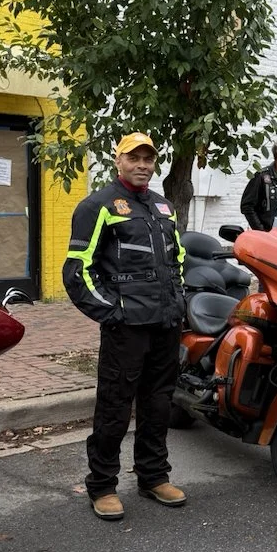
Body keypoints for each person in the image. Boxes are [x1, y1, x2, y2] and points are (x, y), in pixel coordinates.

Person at [63, 132, 188, 521]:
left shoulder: (164, 207)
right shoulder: (97, 206)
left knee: (158, 403)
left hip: (165, 323)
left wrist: (179, 303)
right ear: (118, 160)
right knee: (115, 406)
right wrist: (112, 313)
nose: (142, 165)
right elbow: (78, 270)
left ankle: (153, 476)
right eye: (134, 158)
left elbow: (177, 260)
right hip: (126, 327)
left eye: (148, 159)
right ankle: (102, 485)